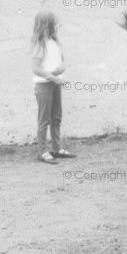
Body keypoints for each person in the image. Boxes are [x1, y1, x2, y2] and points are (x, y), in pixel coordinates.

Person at [31, 11, 76, 164]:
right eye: (54, 23)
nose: (57, 25)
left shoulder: (55, 42)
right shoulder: (40, 44)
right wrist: (52, 77)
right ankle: (42, 152)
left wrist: (61, 69)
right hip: (44, 85)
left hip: (56, 83)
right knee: (44, 120)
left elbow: (62, 62)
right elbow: (36, 68)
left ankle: (56, 149)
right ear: (46, 24)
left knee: (56, 117)